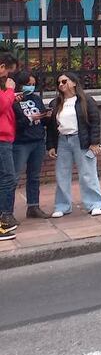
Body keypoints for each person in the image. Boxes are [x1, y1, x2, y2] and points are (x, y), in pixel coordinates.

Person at [45, 72, 101, 218]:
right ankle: (62, 206)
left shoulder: (85, 100)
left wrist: (94, 142)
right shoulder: (56, 103)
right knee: (62, 174)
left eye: (64, 81)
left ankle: (94, 204)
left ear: (74, 83)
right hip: (63, 140)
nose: (61, 85)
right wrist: (51, 145)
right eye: (59, 82)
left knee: (87, 173)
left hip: (81, 140)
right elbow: (51, 127)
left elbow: (95, 121)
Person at [13, 71, 49, 219]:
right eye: (28, 84)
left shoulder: (36, 99)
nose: (31, 87)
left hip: (38, 141)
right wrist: (29, 118)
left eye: (33, 85)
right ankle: (6, 211)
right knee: (13, 177)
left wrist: (46, 116)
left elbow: (42, 118)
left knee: (34, 176)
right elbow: (15, 124)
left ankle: (33, 206)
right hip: (21, 143)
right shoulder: (14, 100)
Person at [0, 55, 15, 237]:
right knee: (8, 178)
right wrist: (10, 92)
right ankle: (4, 217)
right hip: (2, 138)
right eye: (8, 73)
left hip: (6, 137)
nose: (9, 79)